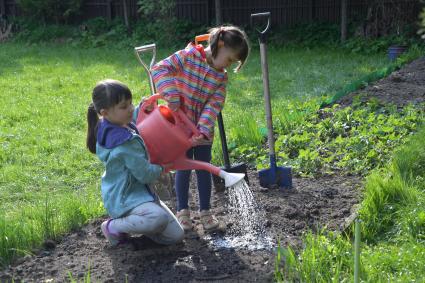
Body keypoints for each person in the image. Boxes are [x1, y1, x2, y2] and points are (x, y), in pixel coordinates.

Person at [148, 25, 250, 232]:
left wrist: (202, 130)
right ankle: (183, 213)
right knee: (183, 167)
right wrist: (171, 94)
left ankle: (205, 212)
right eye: (230, 59)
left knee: (203, 167)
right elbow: (159, 68)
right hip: (176, 127)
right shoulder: (188, 56)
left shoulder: (221, 77)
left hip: (202, 132)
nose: (228, 66)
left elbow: (214, 104)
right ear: (220, 45)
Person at [86, 79, 184, 247]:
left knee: (176, 236)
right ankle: (112, 226)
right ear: (105, 112)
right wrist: (162, 168)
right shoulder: (123, 143)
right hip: (125, 198)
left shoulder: (113, 124)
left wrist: (142, 108)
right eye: (124, 106)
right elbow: (145, 175)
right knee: (157, 218)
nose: (130, 109)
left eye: (131, 104)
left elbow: (133, 121)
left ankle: (140, 241)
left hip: (141, 194)